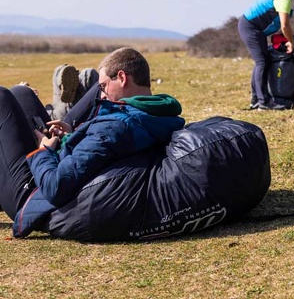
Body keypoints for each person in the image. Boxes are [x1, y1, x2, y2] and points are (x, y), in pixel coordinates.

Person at [0, 47, 186, 237]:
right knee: (22, 93)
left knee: (2, 97)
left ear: (122, 78)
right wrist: (75, 135)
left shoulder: (114, 129)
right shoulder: (162, 114)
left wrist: (44, 152)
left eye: (104, 87)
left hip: (35, 195)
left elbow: (55, 187)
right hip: (57, 162)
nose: (102, 95)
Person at [238, 0, 294, 110]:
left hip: (256, 29)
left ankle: (256, 100)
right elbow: (285, 25)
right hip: (250, 27)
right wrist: (291, 42)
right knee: (262, 62)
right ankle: (263, 102)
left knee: (262, 60)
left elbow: (279, 24)